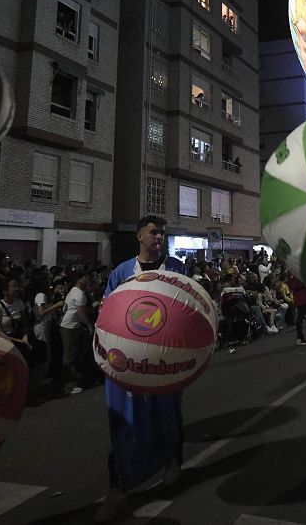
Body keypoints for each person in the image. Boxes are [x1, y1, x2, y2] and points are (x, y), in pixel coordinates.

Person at [95, 216, 188, 522]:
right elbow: (108, 311)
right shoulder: (122, 271)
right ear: (139, 236)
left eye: (163, 232)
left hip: (164, 359)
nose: (160, 236)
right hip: (128, 359)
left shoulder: (176, 268)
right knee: (123, 422)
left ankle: (172, 463)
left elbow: (188, 307)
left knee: (168, 413)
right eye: (154, 232)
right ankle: (118, 487)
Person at [59, 273, 94, 395]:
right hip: (70, 327)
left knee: (74, 354)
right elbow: (81, 312)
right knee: (69, 356)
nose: (88, 280)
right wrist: (89, 325)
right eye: (86, 278)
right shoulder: (79, 294)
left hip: (72, 326)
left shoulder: (74, 290)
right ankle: (69, 385)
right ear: (79, 279)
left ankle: (73, 379)